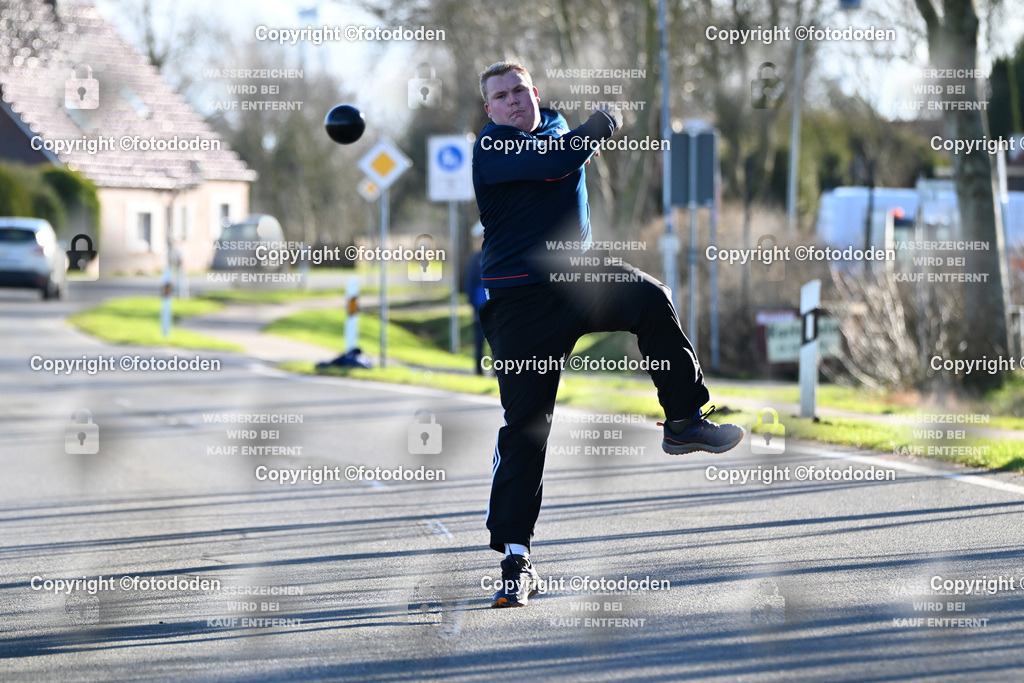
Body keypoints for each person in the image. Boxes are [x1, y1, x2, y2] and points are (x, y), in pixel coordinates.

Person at [472, 61, 743, 608]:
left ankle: (685, 420)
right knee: (526, 428)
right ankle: (515, 560)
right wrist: (605, 121)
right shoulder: (493, 148)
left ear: (535, 92)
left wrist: (591, 128)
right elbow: (559, 159)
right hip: (522, 300)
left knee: (651, 298)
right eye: (500, 97)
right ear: (489, 110)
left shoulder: (558, 128)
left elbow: (565, 148)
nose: (512, 102)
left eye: (519, 91)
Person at [464, 222, 488, 375]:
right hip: (479, 307)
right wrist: (473, 304)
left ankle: (496, 372)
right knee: (479, 340)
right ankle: (478, 370)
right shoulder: (474, 260)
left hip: (496, 306)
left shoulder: (497, 257)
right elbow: (469, 284)